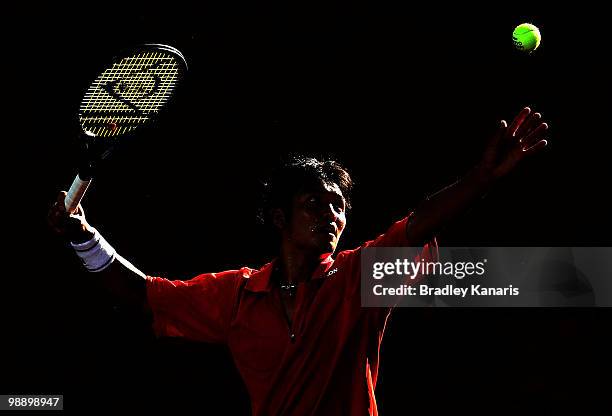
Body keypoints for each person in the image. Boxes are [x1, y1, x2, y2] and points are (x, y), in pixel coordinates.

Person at [48, 107, 549, 415]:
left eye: (339, 206)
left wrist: (481, 178)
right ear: (278, 218)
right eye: (316, 203)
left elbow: (418, 223)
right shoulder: (237, 294)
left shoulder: (358, 278)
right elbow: (145, 296)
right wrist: (83, 234)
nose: (332, 214)